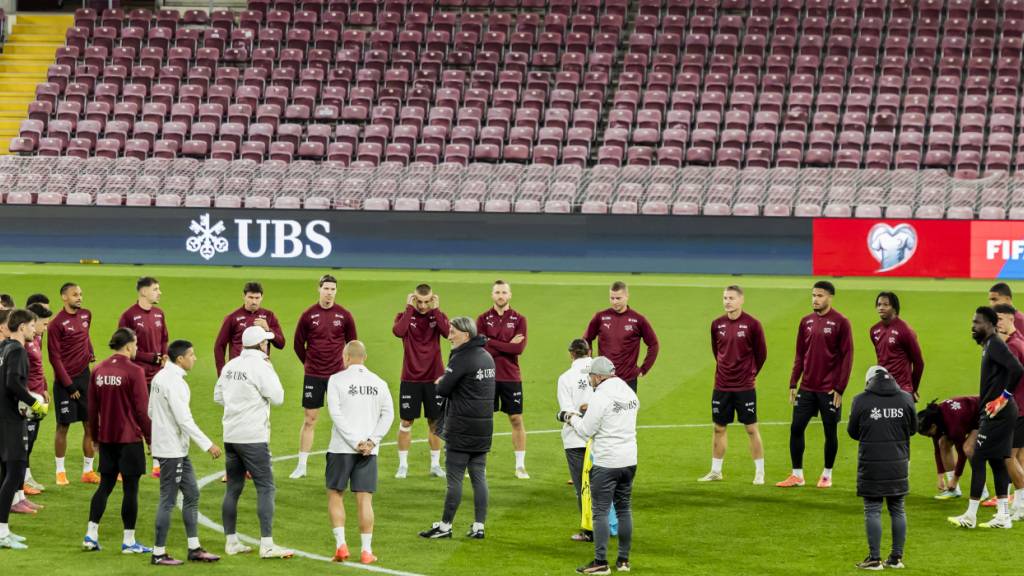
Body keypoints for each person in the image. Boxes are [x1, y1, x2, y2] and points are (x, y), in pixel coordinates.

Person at [216, 326, 292, 559]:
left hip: (231, 434)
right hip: (253, 437)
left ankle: (231, 542)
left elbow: (218, 397)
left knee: (233, 489)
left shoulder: (230, 365)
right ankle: (267, 545)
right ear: (261, 345)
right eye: (266, 342)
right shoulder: (262, 366)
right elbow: (278, 397)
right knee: (266, 487)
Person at [558, 356, 639, 575]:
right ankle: (623, 561)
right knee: (624, 509)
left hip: (606, 462)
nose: (591, 380)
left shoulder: (601, 396)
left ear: (598, 376)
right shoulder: (629, 392)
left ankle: (600, 562)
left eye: (592, 377)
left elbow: (585, 431)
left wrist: (570, 417)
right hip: (629, 460)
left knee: (600, 512)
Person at [419, 317, 495, 540]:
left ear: (466, 334)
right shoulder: (487, 357)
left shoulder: (462, 357)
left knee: (454, 480)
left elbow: (442, 389)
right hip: (483, 428)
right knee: (479, 477)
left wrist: (442, 380)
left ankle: (445, 526)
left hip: (461, 428)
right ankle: (479, 526)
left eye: (453, 332)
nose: (449, 336)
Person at [149, 340, 222, 565]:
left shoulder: (159, 377)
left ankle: (194, 548)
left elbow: (151, 410)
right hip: (172, 451)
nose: (195, 358)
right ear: (180, 359)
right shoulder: (175, 383)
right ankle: (158, 553)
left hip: (173, 447)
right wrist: (208, 444)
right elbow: (184, 420)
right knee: (168, 501)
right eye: (191, 355)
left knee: (191, 494)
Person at [949, 307, 1022, 529]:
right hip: (997, 412)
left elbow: (1017, 369)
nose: (973, 326)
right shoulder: (989, 345)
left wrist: (1003, 398)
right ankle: (1003, 516)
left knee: (978, 456)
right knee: (997, 461)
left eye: (977, 322)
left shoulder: (996, 344)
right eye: (972, 322)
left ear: (990, 324)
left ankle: (971, 516)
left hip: (998, 413)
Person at [82, 328, 152, 554]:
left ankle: (91, 535)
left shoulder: (99, 369)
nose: (138, 349)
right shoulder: (135, 371)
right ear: (129, 345)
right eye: (136, 345)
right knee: (131, 490)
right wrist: (151, 439)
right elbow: (142, 410)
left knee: (105, 485)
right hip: (129, 439)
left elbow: (92, 409)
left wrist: (94, 436)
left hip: (107, 438)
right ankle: (129, 542)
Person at [777, 281, 854, 489]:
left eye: (819, 296)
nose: (815, 299)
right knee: (796, 428)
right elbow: (800, 354)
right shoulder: (806, 322)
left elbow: (847, 357)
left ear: (830, 297)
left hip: (829, 389)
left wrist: (840, 387)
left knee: (830, 432)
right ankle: (797, 475)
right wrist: (794, 381)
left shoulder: (841, 322)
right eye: (813, 295)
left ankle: (827, 475)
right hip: (807, 388)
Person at [325, 341, 394, 565]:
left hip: (341, 448)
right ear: (364, 357)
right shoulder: (379, 383)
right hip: (368, 452)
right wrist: (372, 441)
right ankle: (366, 551)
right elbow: (388, 415)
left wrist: (355, 442)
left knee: (336, 494)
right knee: (365, 500)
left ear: (345, 356)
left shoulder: (336, 380)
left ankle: (341, 546)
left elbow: (335, 414)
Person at [848, 366, 917, 570]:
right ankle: (896, 558)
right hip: (898, 463)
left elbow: (853, 431)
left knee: (873, 509)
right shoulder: (906, 398)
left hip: (872, 464)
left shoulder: (861, 400)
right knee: (898, 509)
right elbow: (913, 429)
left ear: (869, 381)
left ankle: (875, 559)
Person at [290, 274, 357, 480]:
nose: (329, 292)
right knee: (310, 419)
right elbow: (297, 345)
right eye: (326, 288)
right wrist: (310, 363)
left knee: (343, 419)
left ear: (336, 291)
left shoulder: (344, 315)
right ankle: (302, 465)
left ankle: (347, 463)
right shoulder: (308, 315)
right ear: (319, 289)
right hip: (314, 375)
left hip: (338, 376)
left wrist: (345, 367)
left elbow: (353, 344)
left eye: (333, 289)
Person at [700, 285, 767, 485]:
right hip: (721, 385)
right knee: (719, 428)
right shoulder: (716, 324)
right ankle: (716, 471)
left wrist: (751, 373)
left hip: (744, 386)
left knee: (751, 428)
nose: (727, 301)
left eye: (731, 298)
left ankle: (759, 472)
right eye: (724, 298)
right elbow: (716, 350)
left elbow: (761, 354)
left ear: (741, 300)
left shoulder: (753, 324)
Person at [0, 309, 47, 549]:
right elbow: (12, 383)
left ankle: (3, 530)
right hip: (11, 420)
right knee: (16, 473)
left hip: (2, 418)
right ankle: (1, 534)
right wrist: (34, 403)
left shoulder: (3, 347)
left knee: (5, 474)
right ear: (21, 328)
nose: (34, 330)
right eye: (31, 326)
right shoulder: (17, 350)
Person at [393, 284, 449, 479]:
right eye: (419, 301)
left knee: (434, 422)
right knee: (406, 421)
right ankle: (403, 465)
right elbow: (398, 332)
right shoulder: (404, 316)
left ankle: (435, 465)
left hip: (435, 379)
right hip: (410, 378)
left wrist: (437, 310)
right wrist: (409, 309)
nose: (423, 306)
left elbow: (447, 332)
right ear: (413, 299)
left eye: (427, 302)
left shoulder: (437, 315)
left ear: (432, 299)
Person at [476, 280, 529, 479]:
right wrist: (507, 343)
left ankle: (520, 466)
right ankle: (479, 466)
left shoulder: (519, 319)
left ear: (510, 295)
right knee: (484, 421)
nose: (500, 295)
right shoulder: (482, 319)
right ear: (492, 295)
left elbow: (519, 349)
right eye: (497, 292)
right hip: (486, 375)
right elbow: (480, 346)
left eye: (504, 292)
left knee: (516, 418)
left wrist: (492, 342)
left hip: (510, 376)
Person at [48, 282, 99, 486]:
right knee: (63, 426)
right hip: (65, 381)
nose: (79, 297)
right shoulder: (56, 324)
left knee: (90, 423)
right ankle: (60, 472)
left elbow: (85, 337)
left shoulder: (86, 315)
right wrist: (69, 386)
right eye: (74, 294)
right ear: (64, 297)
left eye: (80, 293)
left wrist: (90, 351)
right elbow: (54, 358)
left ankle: (88, 471)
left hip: (84, 377)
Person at [117, 276, 168, 478]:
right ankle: (122, 466)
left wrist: (164, 357)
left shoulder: (159, 314)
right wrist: (152, 358)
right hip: (136, 376)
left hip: (157, 376)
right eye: (156, 289)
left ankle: (156, 463)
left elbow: (164, 338)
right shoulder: (128, 316)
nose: (159, 292)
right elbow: (123, 347)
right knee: (131, 420)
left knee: (156, 419)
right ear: (143, 292)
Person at [583, 281, 660, 393]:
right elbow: (586, 339)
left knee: (626, 410)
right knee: (601, 410)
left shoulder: (638, 319)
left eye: (618, 298)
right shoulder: (600, 317)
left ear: (627, 296)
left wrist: (644, 369)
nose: (614, 302)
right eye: (612, 298)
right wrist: (590, 362)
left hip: (627, 380)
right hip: (603, 379)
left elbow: (654, 344)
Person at [557, 339, 593, 542]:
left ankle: (589, 531)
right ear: (589, 351)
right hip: (599, 438)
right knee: (602, 486)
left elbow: (567, 411)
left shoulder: (566, 378)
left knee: (583, 487)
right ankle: (608, 526)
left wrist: (580, 423)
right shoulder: (603, 371)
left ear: (571, 354)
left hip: (576, 440)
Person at [991, 304, 1024, 517]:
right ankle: (1019, 505)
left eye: (1001, 319)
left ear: (1011, 318)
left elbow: (1008, 377)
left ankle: (1020, 504)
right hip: (1022, 406)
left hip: (1018, 408)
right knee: (1019, 456)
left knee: (1007, 457)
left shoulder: (1012, 346)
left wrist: (1001, 399)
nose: (997, 324)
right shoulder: (1019, 340)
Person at [213, 281, 285, 377]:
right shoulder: (232, 317)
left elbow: (281, 344)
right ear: (244, 296)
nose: (254, 302)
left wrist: (268, 329)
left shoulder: (269, 316)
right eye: (250, 297)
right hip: (238, 371)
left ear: (262, 297)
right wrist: (221, 374)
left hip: (261, 369)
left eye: (257, 298)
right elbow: (219, 346)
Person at [917, 396, 980, 500]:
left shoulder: (953, 424)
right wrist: (940, 477)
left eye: (928, 434)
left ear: (933, 426)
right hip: (968, 418)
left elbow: (962, 453)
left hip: (984, 414)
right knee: (943, 443)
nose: (930, 436)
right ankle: (953, 491)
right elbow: (938, 450)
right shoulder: (935, 419)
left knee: (968, 448)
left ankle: (981, 490)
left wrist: (955, 479)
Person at [21, 303, 52, 504]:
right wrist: (28, 395)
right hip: (29, 398)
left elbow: (39, 366)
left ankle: (26, 477)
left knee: (31, 440)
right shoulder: (23, 342)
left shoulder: (37, 338)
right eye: (43, 323)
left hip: (38, 395)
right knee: (25, 441)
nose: (45, 327)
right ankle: (21, 481)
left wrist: (45, 387)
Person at [870, 292, 925, 401]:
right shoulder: (874, 330)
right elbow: (881, 359)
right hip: (882, 387)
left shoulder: (905, 331)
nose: (881, 308)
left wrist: (913, 389)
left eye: (886, 305)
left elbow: (919, 363)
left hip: (902, 389)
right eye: (879, 304)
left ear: (894, 308)